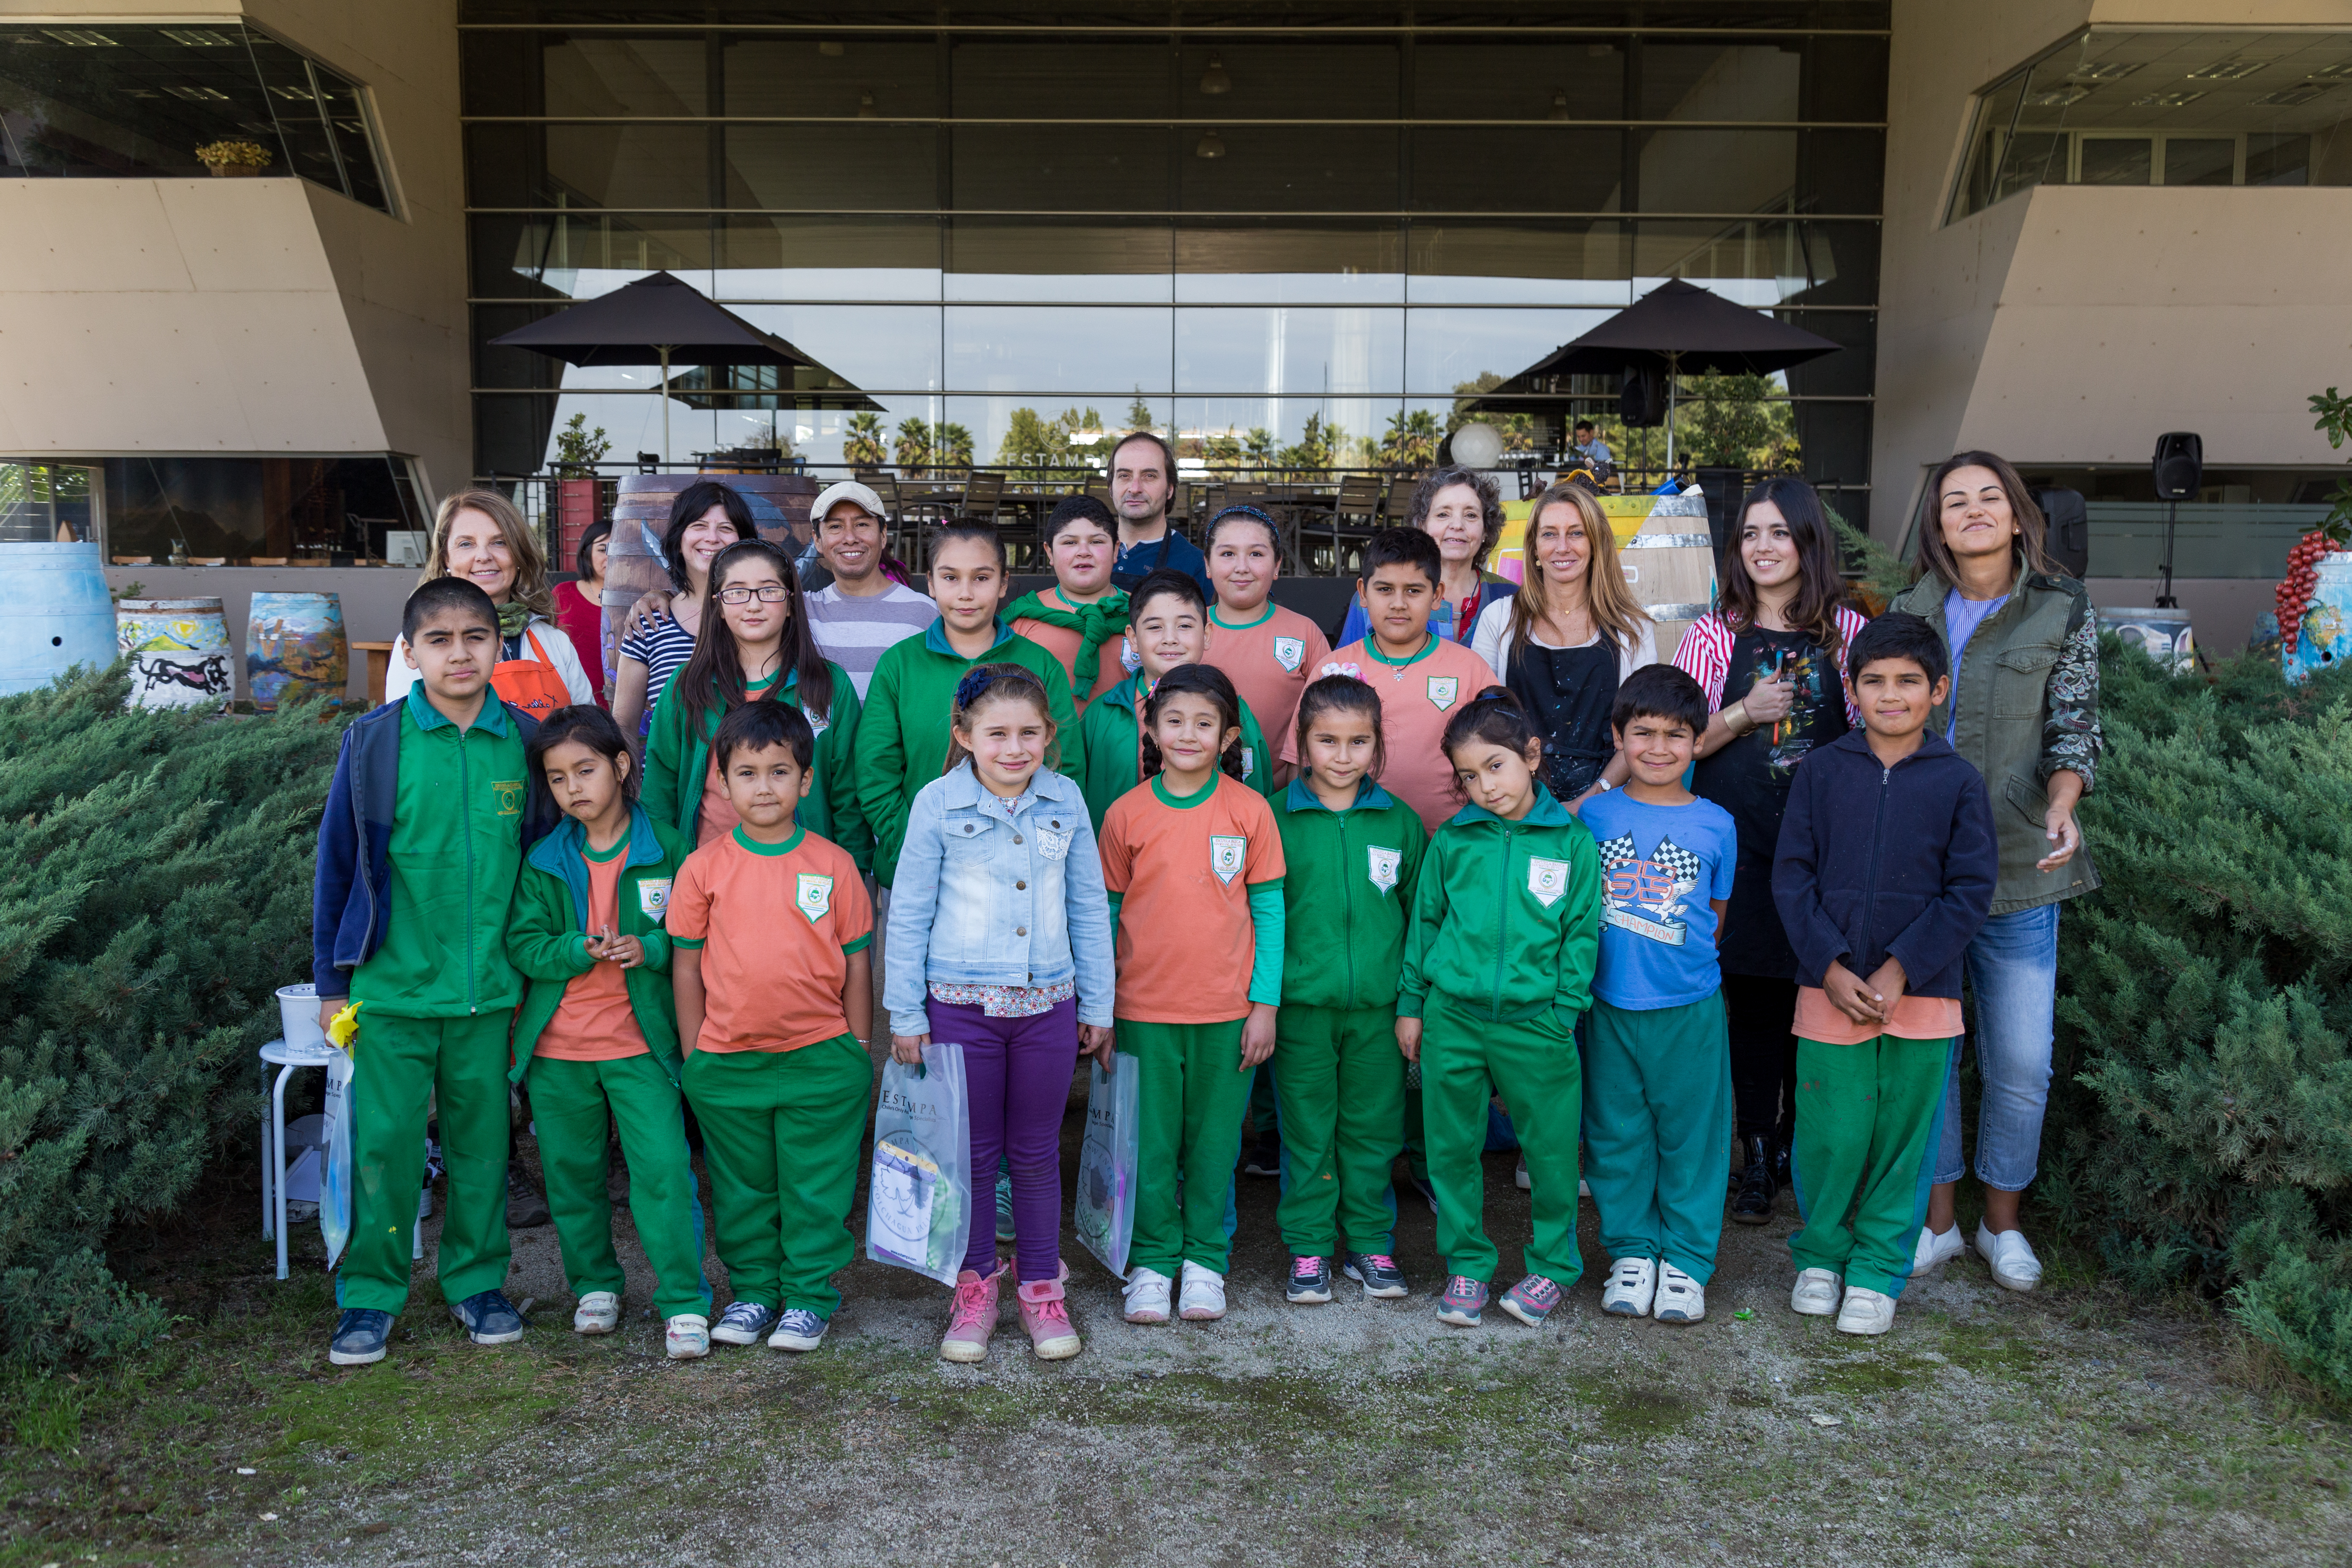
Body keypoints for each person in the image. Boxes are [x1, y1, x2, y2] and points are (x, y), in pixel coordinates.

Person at [314, 577, 557, 1367]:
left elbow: (546, 871)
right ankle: (370, 1294)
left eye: (477, 637)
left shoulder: (527, 744)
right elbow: (338, 868)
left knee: (483, 1146)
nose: (461, 653)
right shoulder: (374, 745)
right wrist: (333, 983)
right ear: (411, 653)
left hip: (489, 993)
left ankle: (478, 1282)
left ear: (499, 645)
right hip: (392, 990)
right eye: (442, 640)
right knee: (383, 1148)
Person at [1889, 452, 2102, 1292]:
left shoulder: (2061, 608)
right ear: (1937, 523)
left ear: (2017, 517)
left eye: (1989, 498)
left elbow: (2076, 730)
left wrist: (2064, 801)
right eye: (1955, 501)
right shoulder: (1908, 610)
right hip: (1922, 874)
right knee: (1931, 1055)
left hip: (2020, 863)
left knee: (2021, 1060)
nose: (1973, 511)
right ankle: (1937, 1225)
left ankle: (2000, 1225)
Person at [1772, 612, 1997, 1337]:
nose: (1890, 694)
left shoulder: (1959, 781)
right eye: (1873, 680)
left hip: (1922, 994)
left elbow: (1968, 891)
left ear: (1938, 689)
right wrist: (1830, 965)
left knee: (1904, 1139)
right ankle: (1821, 1254)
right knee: (1831, 1132)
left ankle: (1875, 1270)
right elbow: (1791, 877)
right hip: (1827, 985)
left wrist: (1903, 967)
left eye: (1907, 681)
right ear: (1853, 687)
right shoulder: (1821, 770)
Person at [884, 665, 1116, 1363]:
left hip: (1048, 1006)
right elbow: (909, 912)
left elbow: (1088, 906)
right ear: (963, 735)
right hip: (959, 1010)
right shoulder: (935, 803)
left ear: (1049, 735)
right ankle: (975, 1286)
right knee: (974, 1156)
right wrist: (905, 1012)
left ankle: (1042, 1288)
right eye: (996, 733)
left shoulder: (1065, 799)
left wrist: (1098, 1003)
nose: (1014, 747)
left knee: (1038, 1153)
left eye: (1029, 733)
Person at [1674, 478, 1870, 1224]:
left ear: (1807, 542)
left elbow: (1874, 735)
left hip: (1826, 850)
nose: (1762, 546)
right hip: (1740, 848)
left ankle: (1797, 1144)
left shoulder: (1848, 633)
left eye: (1778, 533)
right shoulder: (1712, 635)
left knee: (1813, 998)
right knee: (1751, 1002)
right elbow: (1680, 740)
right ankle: (1755, 1154)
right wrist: (1743, 712)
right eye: (1750, 533)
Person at [670, 701, 875, 1354]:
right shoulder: (702, 867)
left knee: (816, 1188)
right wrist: (695, 1053)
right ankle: (755, 1292)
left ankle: (809, 1298)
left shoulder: (834, 864)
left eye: (780, 772)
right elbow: (685, 966)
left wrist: (860, 1049)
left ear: (805, 782)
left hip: (822, 1058)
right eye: (748, 773)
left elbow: (857, 963)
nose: (764, 787)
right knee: (742, 1187)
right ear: (722, 784)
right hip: (727, 1063)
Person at [508, 705, 709, 1359]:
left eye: (586, 770)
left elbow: (696, 934)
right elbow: (524, 946)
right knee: (571, 1175)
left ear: (622, 768)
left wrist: (646, 949)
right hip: (558, 1052)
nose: (573, 788)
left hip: (642, 1048)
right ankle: (595, 1284)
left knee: (663, 1174)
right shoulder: (542, 859)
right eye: (558, 778)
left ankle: (682, 1299)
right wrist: (574, 949)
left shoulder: (670, 847)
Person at [1397, 688, 1601, 1330]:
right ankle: (1466, 1264)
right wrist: (1413, 1006)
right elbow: (1425, 923)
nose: (1484, 786)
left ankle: (1552, 1266)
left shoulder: (1571, 842)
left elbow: (1582, 933)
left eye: (1495, 766)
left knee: (1549, 1154)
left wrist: (1562, 1013)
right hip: (1453, 1018)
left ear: (1532, 756)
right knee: (1450, 1149)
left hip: (1537, 1024)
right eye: (1468, 775)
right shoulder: (1454, 840)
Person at [1098, 664, 1286, 1327]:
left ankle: (1206, 1261)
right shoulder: (1126, 814)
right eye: (1174, 720)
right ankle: (1153, 1261)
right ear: (1150, 725)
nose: (1188, 734)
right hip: (1143, 1013)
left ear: (1229, 734)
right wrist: (1102, 1010)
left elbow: (1270, 914)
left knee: (1213, 1146)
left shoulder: (1250, 810)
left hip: (1228, 1016)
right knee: (1150, 1145)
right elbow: (1104, 917)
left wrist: (1264, 1006)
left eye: (1205, 724)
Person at [1577, 665, 1738, 1325]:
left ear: (1698, 742)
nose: (1660, 748)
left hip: (1689, 1008)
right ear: (1619, 737)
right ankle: (1633, 1252)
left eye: (1677, 735)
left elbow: (1717, 914)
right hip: (1609, 1005)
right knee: (1616, 1133)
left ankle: (1687, 1262)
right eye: (1642, 733)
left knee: (1692, 1138)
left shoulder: (1716, 825)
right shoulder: (1592, 815)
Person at [1269, 675, 1425, 1305]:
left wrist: (1412, 1005)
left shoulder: (1401, 822)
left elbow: (1422, 921)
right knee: (1307, 1130)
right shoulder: (1273, 817)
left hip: (1379, 1013)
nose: (1342, 756)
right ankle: (1309, 1249)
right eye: (1326, 741)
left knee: (1372, 1129)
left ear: (1377, 745)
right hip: (1300, 1009)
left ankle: (1369, 1244)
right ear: (1302, 743)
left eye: (1358, 742)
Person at [857, 521, 1081, 889]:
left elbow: (1065, 766)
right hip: (920, 869)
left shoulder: (1040, 665)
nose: (965, 593)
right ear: (929, 583)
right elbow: (875, 773)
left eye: (981, 578)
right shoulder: (899, 665)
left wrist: (1034, 851)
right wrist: (914, 848)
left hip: (1023, 872)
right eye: (950, 578)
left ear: (1004, 583)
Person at [640, 539, 866, 865]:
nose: (754, 605)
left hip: (806, 877)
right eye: (737, 591)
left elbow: (848, 794)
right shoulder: (687, 686)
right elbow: (659, 791)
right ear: (717, 605)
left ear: (790, 603)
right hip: (705, 872)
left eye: (769, 590)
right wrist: (662, 872)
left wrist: (855, 870)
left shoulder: (828, 686)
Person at [1298, 527, 1497, 833]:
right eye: (1385, 589)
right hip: (1354, 841)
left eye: (1414, 591)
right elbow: (1300, 764)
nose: (1399, 603)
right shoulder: (1333, 669)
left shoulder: (1471, 669)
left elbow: (1498, 761)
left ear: (1437, 596)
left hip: (1452, 845)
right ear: (1363, 593)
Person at [1471, 481, 1658, 806]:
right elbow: (1480, 725)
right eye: (1549, 534)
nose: (1562, 546)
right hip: (1514, 805)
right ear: (1534, 549)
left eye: (1576, 533)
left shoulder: (1632, 630)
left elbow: (1642, 732)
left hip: (1605, 804)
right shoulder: (1499, 619)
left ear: (1596, 544)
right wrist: (1522, 802)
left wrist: (1590, 800)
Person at [1077, 567, 1273, 829]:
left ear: (1206, 635)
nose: (1170, 639)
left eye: (1184, 626)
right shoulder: (1103, 713)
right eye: (1155, 627)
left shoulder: (1235, 710)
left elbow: (1259, 793)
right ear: (1133, 639)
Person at [382, 489, 595, 717]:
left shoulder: (553, 641)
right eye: (466, 544)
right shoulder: (420, 644)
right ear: (446, 558)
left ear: (519, 554)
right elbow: (406, 733)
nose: (484, 556)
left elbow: (588, 731)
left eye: (500, 542)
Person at [612, 481, 755, 738]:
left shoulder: (760, 617)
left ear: (744, 542)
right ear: (679, 539)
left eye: (726, 528)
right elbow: (624, 730)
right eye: (699, 526)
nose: (712, 538)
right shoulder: (648, 623)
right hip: (667, 777)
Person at [1201, 504, 1332, 780]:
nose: (1242, 567)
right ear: (1207, 565)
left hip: (1283, 798)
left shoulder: (1304, 633)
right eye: (1227, 554)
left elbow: (1329, 721)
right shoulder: (1186, 631)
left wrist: (1292, 784)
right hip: (1198, 793)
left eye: (1256, 554)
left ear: (1277, 566)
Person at [1335, 466, 1518, 649]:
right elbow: (1345, 668)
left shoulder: (1511, 597)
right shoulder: (1377, 594)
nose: (1457, 525)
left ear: (1486, 529)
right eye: (1443, 514)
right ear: (1422, 525)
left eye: (1471, 515)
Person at [802, 480, 932, 704]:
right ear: (818, 542)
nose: (850, 538)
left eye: (862, 524)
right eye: (835, 527)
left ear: (883, 536)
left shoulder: (926, 611)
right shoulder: (803, 612)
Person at [1006, 495, 1132, 712]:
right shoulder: (1022, 619)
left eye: (1097, 542)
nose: (1083, 551)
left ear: (1116, 550)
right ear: (1049, 552)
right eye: (1070, 542)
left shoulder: (1143, 613)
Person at [1106, 430, 1213, 597]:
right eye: (1124, 476)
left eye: (1149, 476)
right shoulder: (1090, 554)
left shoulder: (1197, 566)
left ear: (1170, 489)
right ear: (1111, 488)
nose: (1135, 488)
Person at [553, 520, 612, 706]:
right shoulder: (564, 593)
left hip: (631, 707)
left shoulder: (641, 599)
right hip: (573, 702)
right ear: (586, 553)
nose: (611, 556)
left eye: (618, 548)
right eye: (603, 549)